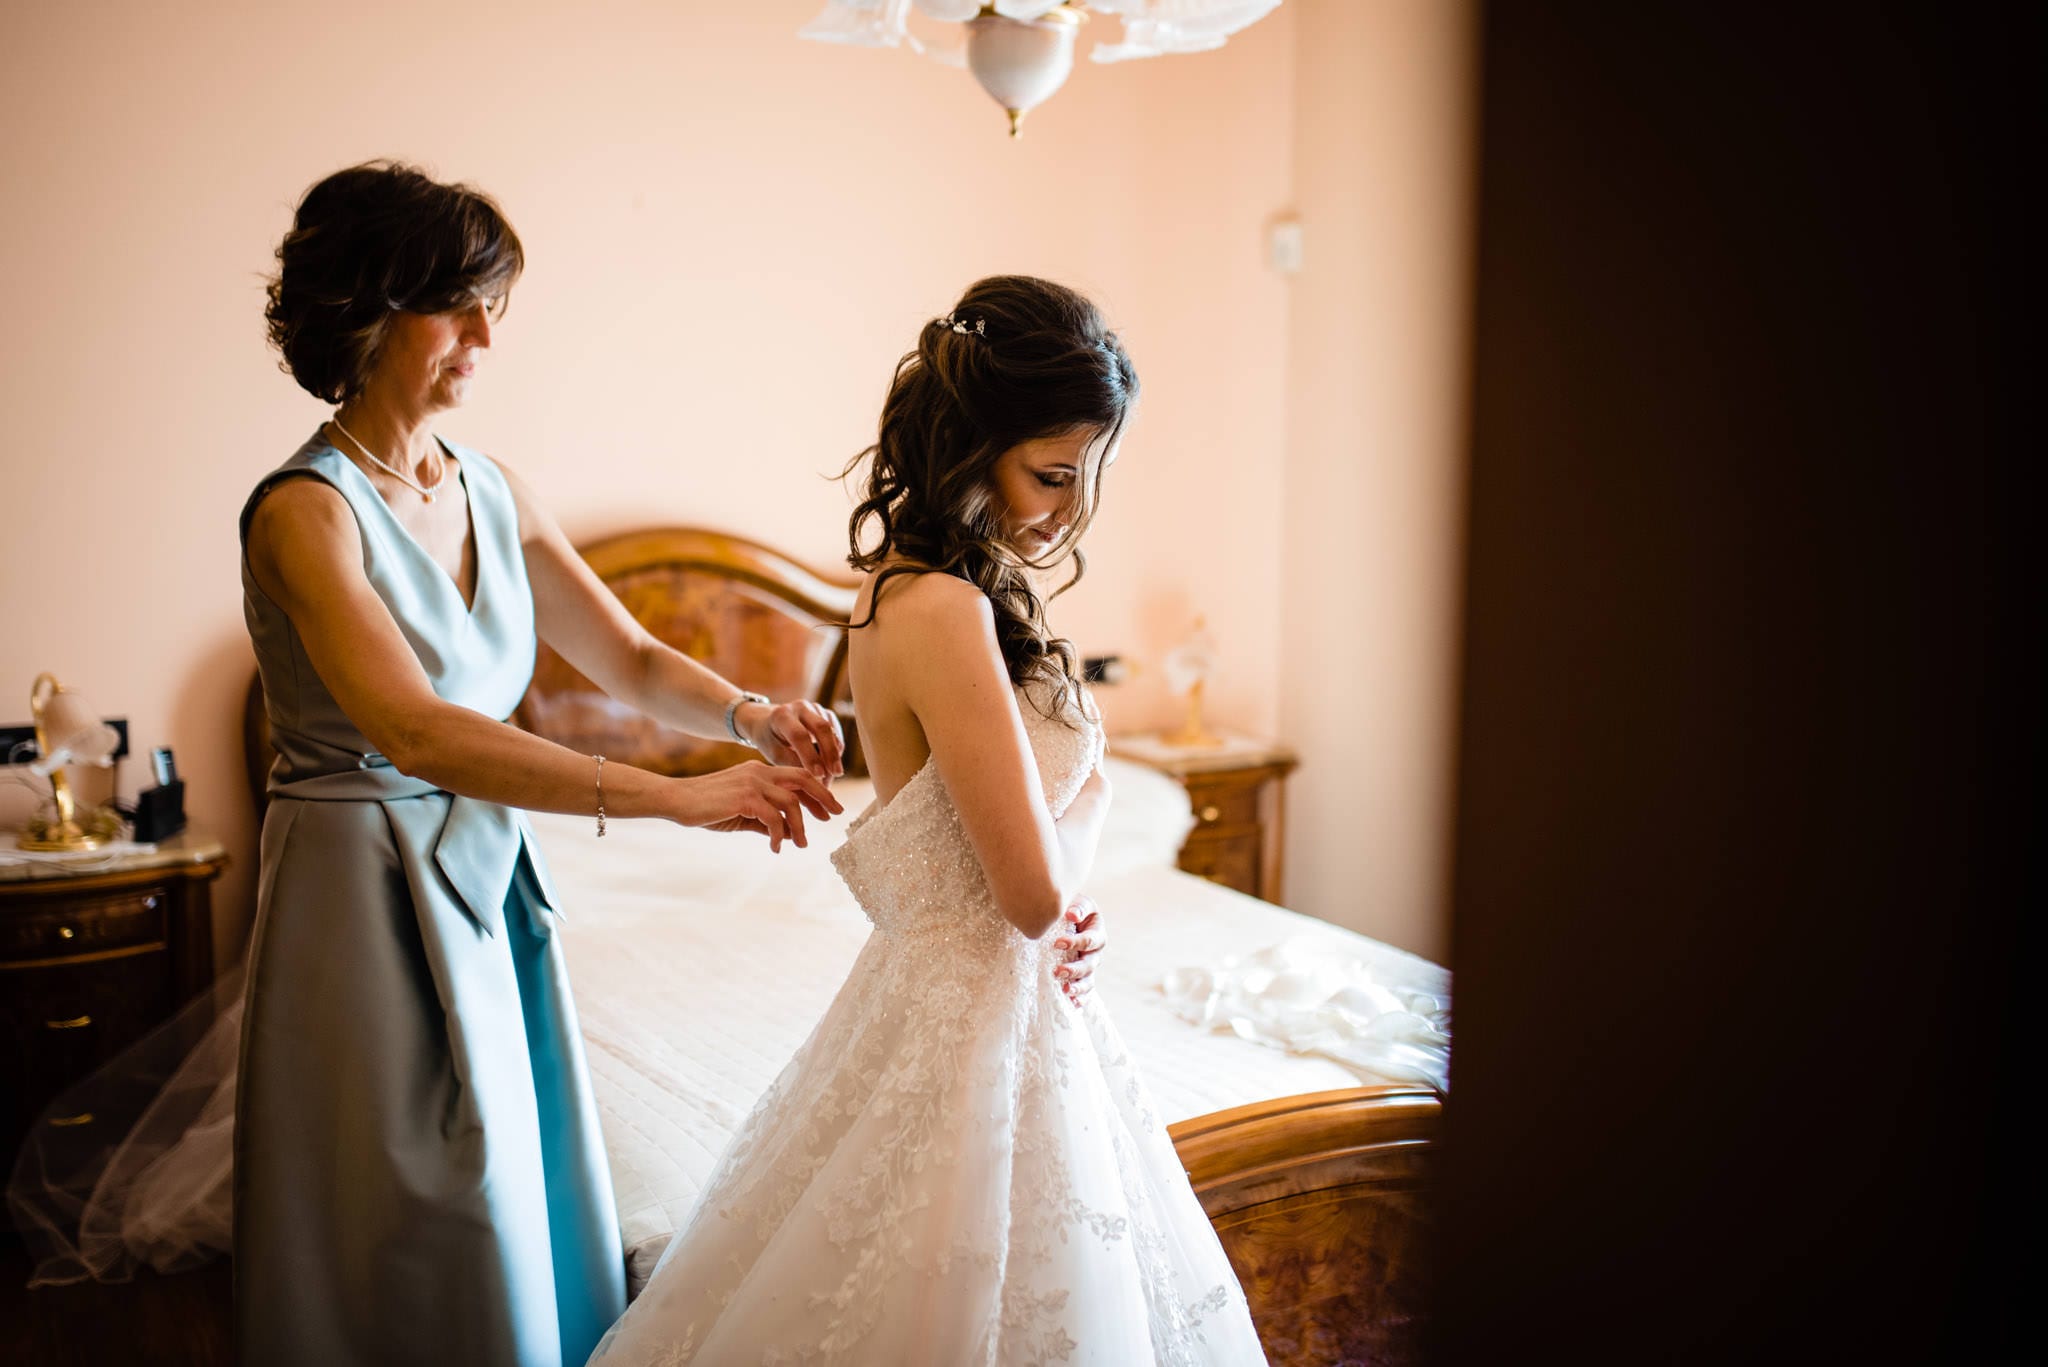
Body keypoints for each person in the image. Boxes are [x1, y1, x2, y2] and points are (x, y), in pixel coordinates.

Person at [234, 161, 854, 1366]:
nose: (483, 336)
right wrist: (673, 799)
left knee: (509, 1173)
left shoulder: (491, 488)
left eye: (489, 306)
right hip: (357, 884)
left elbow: (622, 653)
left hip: (485, 870)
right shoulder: (302, 514)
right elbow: (412, 730)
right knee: (402, 1196)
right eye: (456, 305)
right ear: (367, 310)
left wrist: (749, 714)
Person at [589, 276, 1267, 1365]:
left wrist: (1065, 871)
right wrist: (1082, 844)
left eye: (1080, 479)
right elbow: (1030, 891)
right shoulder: (945, 608)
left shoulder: (903, 587)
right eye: (1047, 474)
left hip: (976, 997)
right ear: (968, 438)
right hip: (984, 1010)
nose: (1061, 509)